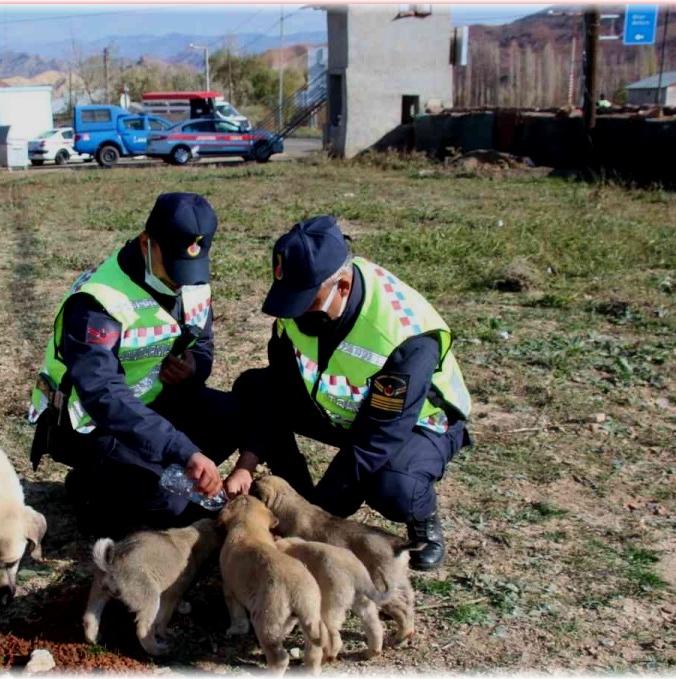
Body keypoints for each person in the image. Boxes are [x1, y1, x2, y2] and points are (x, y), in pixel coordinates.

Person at [226, 216, 473, 570]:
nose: (295, 313)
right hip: (344, 409)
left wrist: (318, 519)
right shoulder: (299, 303)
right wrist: (248, 463)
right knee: (254, 388)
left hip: (415, 423)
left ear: (341, 286)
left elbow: (376, 439)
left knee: (394, 487)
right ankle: (296, 495)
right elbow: (277, 385)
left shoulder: (403, 335)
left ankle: (423, 518)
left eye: (304, 301)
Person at [27, 192, 245, 537]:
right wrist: (180, 448)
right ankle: (92, 490)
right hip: (89, 425)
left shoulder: (192, 281)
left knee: (235, 415)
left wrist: (194, 369)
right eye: (173, 264)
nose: (180, 280)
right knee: (173, 504)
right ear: (146, 243)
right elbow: (102, 394)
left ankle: (140, 473)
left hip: (151, 407)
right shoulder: (98, 301)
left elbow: (202, 343)